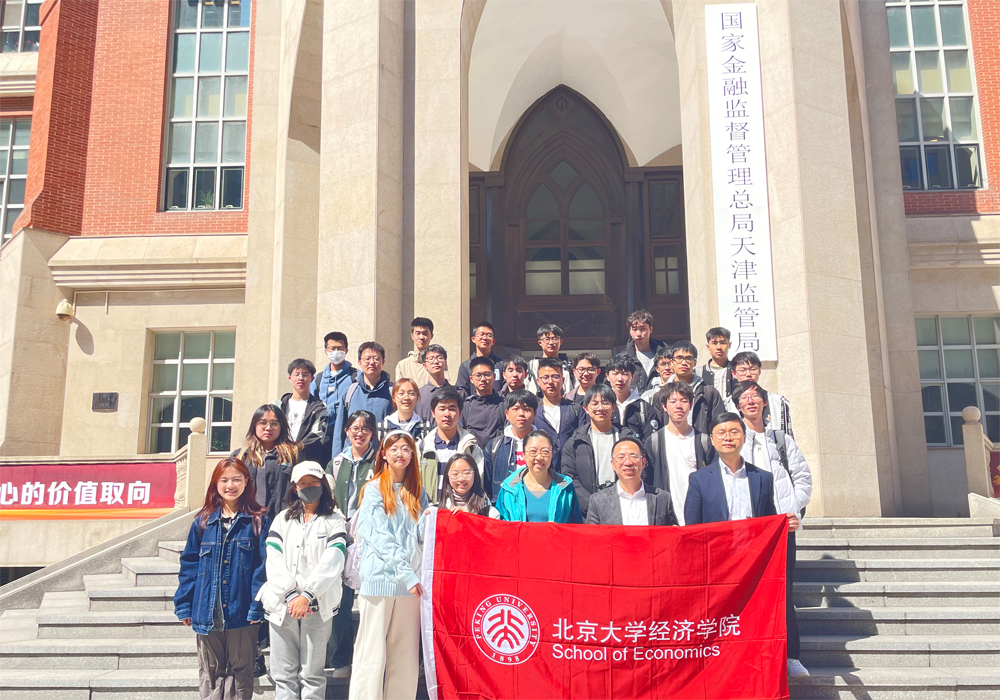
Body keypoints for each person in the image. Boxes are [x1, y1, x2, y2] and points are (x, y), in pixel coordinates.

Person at [733, 380, 812, 679]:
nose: (750, 401)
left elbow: (803, 478)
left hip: (781, 530)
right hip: (747, 531)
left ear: (765, 402)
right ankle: (751, 654)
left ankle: (791, 655)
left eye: (755, 396)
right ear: (738, 406)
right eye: (744, 397)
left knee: (783, 591)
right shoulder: (734, 440)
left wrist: (792, 510)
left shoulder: (780, 440)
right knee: (749, 593)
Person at [174, 457, 268, 700]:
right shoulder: (203, 522)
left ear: (246, 482)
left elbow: (262, 568)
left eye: (236, 479)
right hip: (207, 612)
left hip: (242, 613)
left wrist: (257, 606)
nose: (230, 485)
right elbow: (189, 565)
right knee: (211, 673)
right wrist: (184, 604)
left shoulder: (257, 521)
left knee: (241, 673)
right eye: (224, 480)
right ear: (215, 484)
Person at [349, 432, 429, 700]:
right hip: (380, 582)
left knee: (405, 656)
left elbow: (421, 536)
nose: (400, 454)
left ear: (412, 455)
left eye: (406, 449)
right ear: (383, 454)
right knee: (370, 654)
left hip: (411, 586)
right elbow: (379, 537)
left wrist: (433, 517)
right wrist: (407, 575)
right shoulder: (373, 489)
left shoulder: (417, 491)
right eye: (394, 449)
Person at [260, 461, 347, 700]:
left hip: (317, 604)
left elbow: (333, 559)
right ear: (294, 488)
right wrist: (290, 595)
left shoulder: (334, 520)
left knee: (312, 673)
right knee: (283, 673)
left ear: (323, 485)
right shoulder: (282, 519)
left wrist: (308, 595)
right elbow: (273, 558)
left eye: (314, 482)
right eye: (303, 483)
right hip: (282, 603)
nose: (309, 487)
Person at [326, 410, 378, 678]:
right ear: (346, 431)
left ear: (373, 433)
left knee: (371, 599)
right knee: (341, 600)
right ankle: (340, 659)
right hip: (341, 535)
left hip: (370, 536)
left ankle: (371, 658)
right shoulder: (337, 462)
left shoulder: (380, 462)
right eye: (355, 428)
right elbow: (327, 495)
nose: (360, 433)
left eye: (366, 428)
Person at [683, 412, 778, 527]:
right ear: (712, 439)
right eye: (721, 433)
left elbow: (770, 523)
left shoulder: (764, 478)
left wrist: (788, 523)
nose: (728, 438)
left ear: (744, 437)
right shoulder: (699, 479)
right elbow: (692, 526)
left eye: (734, 432)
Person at [643, 382, 716, 525]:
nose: (679, 406)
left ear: (691, 405)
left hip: (698, 518)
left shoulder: (703, 441)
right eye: (673, 401)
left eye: (684, 401)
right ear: (664, 406)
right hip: (666, 519)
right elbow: (647, 481)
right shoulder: (654, 442)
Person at [561, 384, 634, 518]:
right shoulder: (575, 443)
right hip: (588, 514)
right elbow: (569, 477)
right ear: (586, 409)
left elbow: (640, 471)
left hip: (625, 508)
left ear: (613, 407)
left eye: (605, 403)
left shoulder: (627, 439)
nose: (600, 408)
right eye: (594, 403)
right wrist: (593, 505)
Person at [585, 437, 678, 526]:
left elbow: (672, 533)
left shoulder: (663, 498)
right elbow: (592, 535)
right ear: (613, 464)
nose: (628, 462)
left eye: (633, 456)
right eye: (621, 457)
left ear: (643, 462)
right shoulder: (598, 501)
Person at [496, 431, 583, 523]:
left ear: (551, 455)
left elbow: (575, 525)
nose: (539, 457)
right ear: (524, 455)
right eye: (533, 451)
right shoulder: (509, 488)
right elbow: (499, 526)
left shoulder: (565, 488)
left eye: (545, 452)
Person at [418, 387, 486, 503]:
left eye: (452, 409)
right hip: (430, 510)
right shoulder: (422, 447)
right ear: (433, 413)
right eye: (442, 409)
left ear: (460, 413)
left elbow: (478, 483)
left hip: (461, 509)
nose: (447, 414)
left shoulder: (471, 447)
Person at [234, 405, 300, 521]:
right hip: (247, 520)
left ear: (282, 426)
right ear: (254, 425)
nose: (268, 428)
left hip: (284, 520)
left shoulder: (293, 455)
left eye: (274, 423)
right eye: (263, 423)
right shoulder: (241, 456)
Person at [312, 332, 357, 462]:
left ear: (346, 350)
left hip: (345, 434)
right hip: (323, 435)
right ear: (326, 351)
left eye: (340, 348)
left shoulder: (356, 376)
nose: (336, 352)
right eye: (332, 348)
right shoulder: (318, 379)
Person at [483, 390, 538, 498]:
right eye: (515, 409)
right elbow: (485, 484)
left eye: (527, 409)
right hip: (503, 505)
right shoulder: (494, 447)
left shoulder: (546, 445)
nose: (521, 414)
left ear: (535, 414)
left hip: (535, 503)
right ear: (507, 414)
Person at [532, 357, 585, 470]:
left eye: (555, 376)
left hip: (571, 469)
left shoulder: (575, 408)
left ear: (563, 380)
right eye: (545, 377)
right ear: (538, 381)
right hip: (543, 469)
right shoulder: (533, 411)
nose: (550, 381)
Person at [667, 341, 725, 435]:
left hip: (700, 442)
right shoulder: (662, 393)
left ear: (695, 363)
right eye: (679, 358)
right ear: (671, 362)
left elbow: (720, 425)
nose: (684, 363)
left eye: (689, 359)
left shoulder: (709, 393)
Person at [731, 350, 794, 436]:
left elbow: (788, 435)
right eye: (743, 370)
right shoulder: (727, 404)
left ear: (759, 371)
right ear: (734, 374)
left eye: (753, 369)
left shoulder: (777, 402)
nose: (748, 374)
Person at [280, 359, 329, 464]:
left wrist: (295, 450)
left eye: (305, 375)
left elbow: (317, 434)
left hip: (306, 460)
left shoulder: (319, 408)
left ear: (312, 379)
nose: (300, 378)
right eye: (296, 374)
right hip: (280, 457)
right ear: (290, 378)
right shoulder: (279, 405)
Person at [611, 310, 668, 393]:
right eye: (634, 329)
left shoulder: (665, 357)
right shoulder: (622, 358)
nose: (638, 334)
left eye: (642, 329)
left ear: (651, 329)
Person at [344, 342, 394, 426]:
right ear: (359, 362)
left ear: (383, 362)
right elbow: (340, 426)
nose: (372, 362)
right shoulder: (350, 391)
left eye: (376, 359)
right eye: (367, 358)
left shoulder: (392, 390)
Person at [459, 356, 505, 449]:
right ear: (471, 379)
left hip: (496, 454)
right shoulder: (465, 406)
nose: (483, 379)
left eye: (487, 374)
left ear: (494, 377)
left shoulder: (503, 405)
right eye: (478, 375)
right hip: (472, 454)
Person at [605, 354, 653, 438]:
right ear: (607, 376)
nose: (620, 379)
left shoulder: (644, 408)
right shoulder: (601, 406)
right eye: (615, 374)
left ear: (632, 377)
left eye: (624, 374)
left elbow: (649, 440)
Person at [439, 453, 499, 517]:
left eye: (466, 473)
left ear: (475, 475)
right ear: (447, 476)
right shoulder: (438, 511)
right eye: (455, 474)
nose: (461, 479)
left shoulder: (490, 513)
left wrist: (469, 518)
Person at [524, 324, 574, 395]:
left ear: (560, 341)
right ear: (540, 342)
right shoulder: (532, 365)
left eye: (555, 338)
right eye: (547, 339)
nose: (551, 343)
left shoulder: (568, 365)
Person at [455, 322, 504, 395]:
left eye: (489, 335)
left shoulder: (502, 364)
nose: (485, 338)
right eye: (481, 334)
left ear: (493, 341)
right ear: (473, 339)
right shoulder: (465, 366)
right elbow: (461, 391)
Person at [696, 327, 735, 410]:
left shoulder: (736, 370)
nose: (719, 347)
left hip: (732, 415)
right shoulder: (698, 372)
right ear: (708, 346)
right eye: (714, 343)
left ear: (729, 345)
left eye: (723, 343)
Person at [415, 345, 454, 422]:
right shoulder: (418, 395)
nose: (436, 362)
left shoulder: (458, 392)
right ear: (425, 366)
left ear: (446, 363)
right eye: (431, 359)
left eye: (440, 358)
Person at [394, 317, 434, 386]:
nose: (421, 337)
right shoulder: (402, 365)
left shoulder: (436, 363)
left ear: (431, 336)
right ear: (412, 336)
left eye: (425, 333)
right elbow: (399, 390)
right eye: (418, 333)